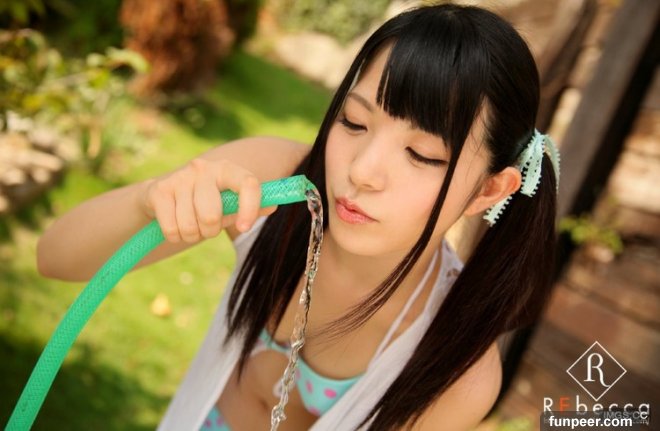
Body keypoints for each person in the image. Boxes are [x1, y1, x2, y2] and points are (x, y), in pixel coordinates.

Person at [36, 3, 560, 430]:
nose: (361, 171)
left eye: (421, 155)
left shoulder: (456, 371)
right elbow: (55, 256)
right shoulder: (267, 184)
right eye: (354, 122)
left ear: (488, 190)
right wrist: (148, 202)